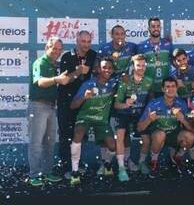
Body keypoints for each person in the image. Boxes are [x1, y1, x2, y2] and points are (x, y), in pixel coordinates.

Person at [28, 37, 70, 186]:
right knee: (36, 142)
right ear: (47, 47)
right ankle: (34, 174)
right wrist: (56, 79)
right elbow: (40, 82)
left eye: (60, 49)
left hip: (51, 107)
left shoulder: (54, 64)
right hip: (38, 106)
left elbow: (63, 79)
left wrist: (76, 72)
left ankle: (46, 172)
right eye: (54, 49)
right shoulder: (40, 62)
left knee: (49, 142)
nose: (57, 52)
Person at [69, 57, 117, 185]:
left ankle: (107, 164)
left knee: (113, 146)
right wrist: (84, 97)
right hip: (85, 118)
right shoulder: (88, 84)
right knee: (78, 132)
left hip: (101, 121)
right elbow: (73, 105)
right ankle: (74, 171)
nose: (107, 70)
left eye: (110, 68)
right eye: (104, 67)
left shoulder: (114, 84)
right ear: (98, 69)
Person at [137, 77, 194, 178]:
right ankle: (153, 161)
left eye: (173, 86)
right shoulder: (154, 103)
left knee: (189, 136)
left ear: (177, 88)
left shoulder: (182, 103)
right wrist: (149, 119)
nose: (170, 89)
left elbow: (192, 129)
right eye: (167, 87)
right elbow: (139, 128)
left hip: (174, 135)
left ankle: (178, 157)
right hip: (158, 136)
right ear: (163, 89)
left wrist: (183, 119)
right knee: (160, 134)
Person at [57, 30, 97, 175]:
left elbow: (98, 73)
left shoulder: (93, 55)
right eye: (83, 41)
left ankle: (76, 166)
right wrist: (78, 72)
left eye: (88, 42)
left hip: (82, 103)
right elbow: (65, 80)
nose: (86, 45)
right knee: (66, 135)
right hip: (66, 103)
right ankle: (66, 168)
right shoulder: (67, 57)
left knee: (80, 135)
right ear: (77, 41)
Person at [114, 54, 154, 181]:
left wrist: (148, 113)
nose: (141, 68)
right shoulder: (125, 80)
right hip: (125, 113)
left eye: (143, 65)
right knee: (120, 136)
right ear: (133, 66)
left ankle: (141, 162)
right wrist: (125, 104)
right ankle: (121, 167)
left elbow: (151, 100)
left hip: (140, 114)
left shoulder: (149, 80)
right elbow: (116, 104)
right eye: (138, 65)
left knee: (146, 140)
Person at [136, 17, 173, 96]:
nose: (156, 28)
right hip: (148, 89)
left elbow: (174, 62)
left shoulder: (168, 44)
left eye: (158, 26)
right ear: (148, 29)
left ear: (160, 28)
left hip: (165, 88)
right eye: (153, 26)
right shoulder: (141, 46)